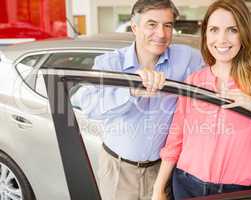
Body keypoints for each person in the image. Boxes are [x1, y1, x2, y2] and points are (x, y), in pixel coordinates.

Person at [152, 0, 251, 199]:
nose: (221, 39)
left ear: (244, 34)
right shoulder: (194, 80)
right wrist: (158, 188)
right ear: (205, 34)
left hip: (236, 192)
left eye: (232, 30)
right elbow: (175, 139)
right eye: (214, 29)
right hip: (185, 185)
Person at [71, 0, 203, 199]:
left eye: (167, 25)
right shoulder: (110, 63)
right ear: (134, 27)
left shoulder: (187, 58)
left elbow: (218, 72)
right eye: (152, 24)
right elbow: (87, 103)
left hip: (162, 171)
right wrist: (130, 91)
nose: (161, 33)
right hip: (118, 169)